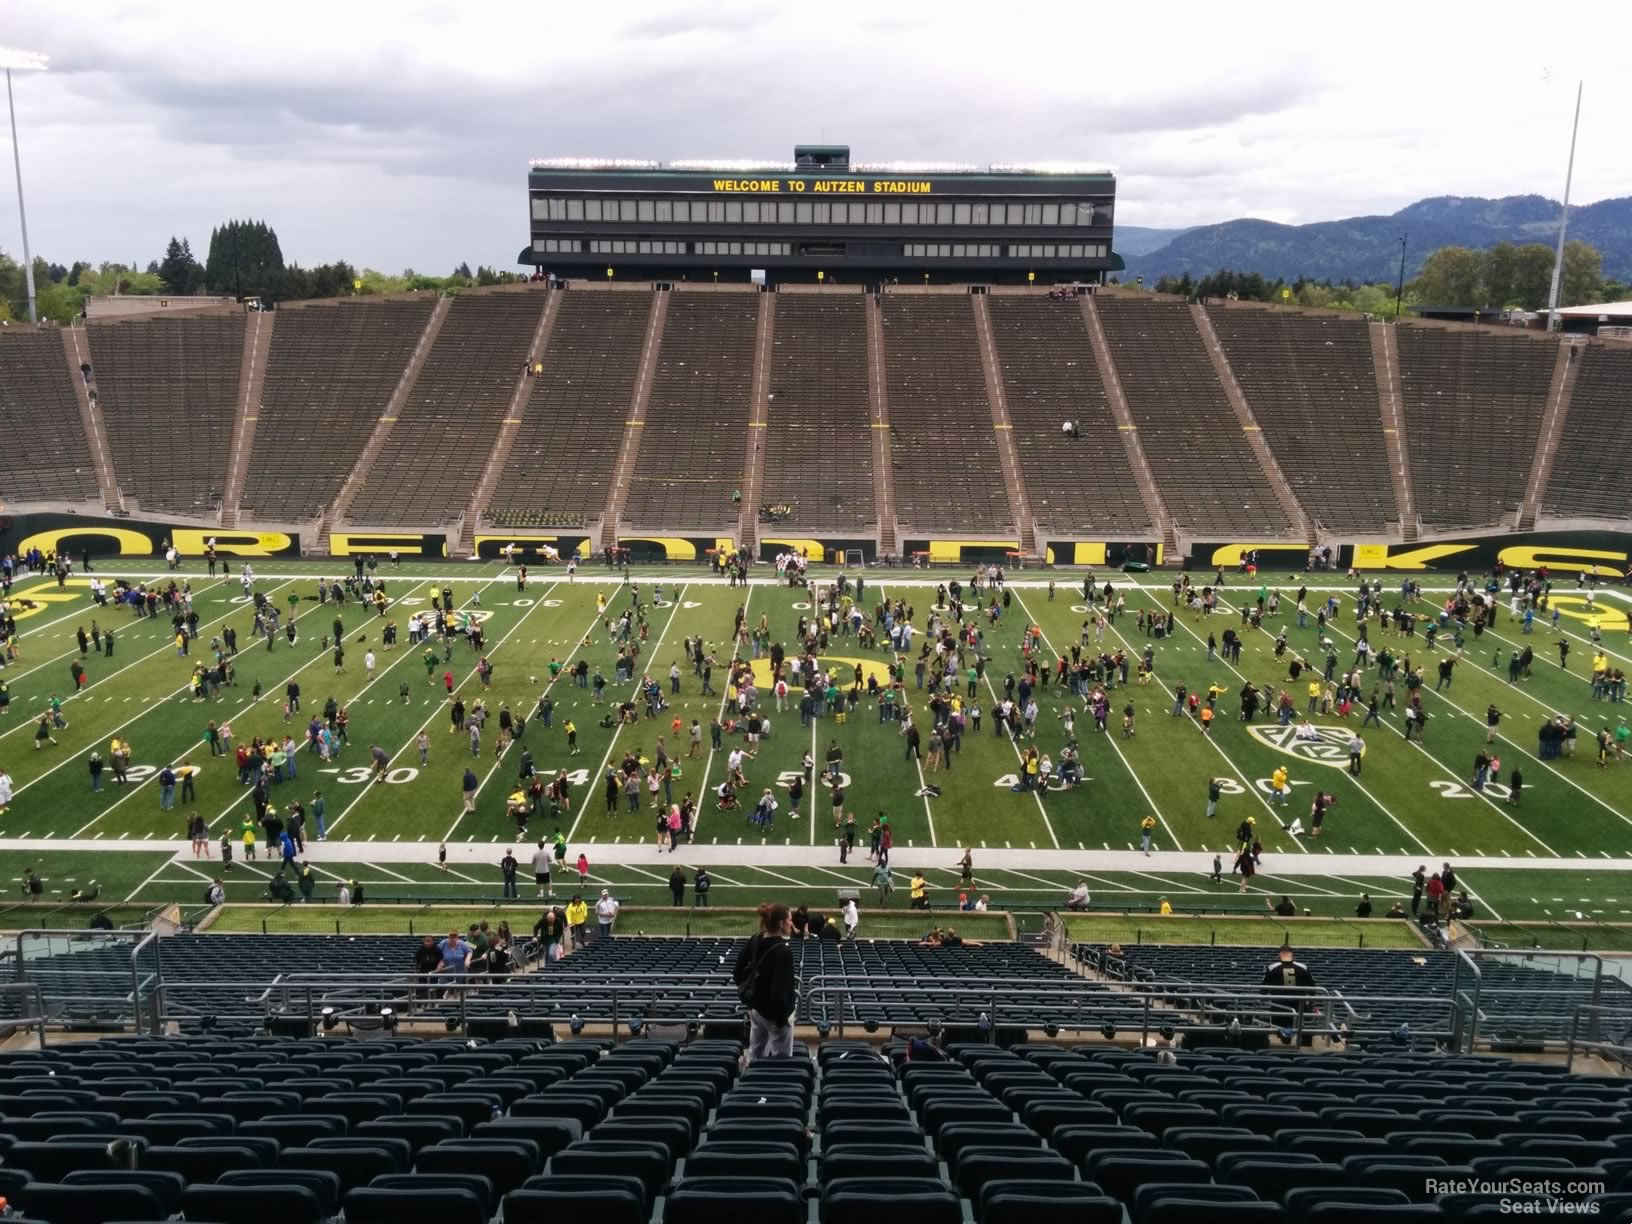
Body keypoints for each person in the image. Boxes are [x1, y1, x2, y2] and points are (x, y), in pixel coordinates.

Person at [733, 902, 797, 1062]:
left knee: (755, 1055)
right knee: (782, 1060)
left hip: (757, 1009)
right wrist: (782, 1021)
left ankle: (750, 1081)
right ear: (781, 924)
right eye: (789, 919)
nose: (791, 923)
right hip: (775, 1016)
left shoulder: (756, 939)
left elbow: (737, 971)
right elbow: (779, 992)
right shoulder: (783, 952)